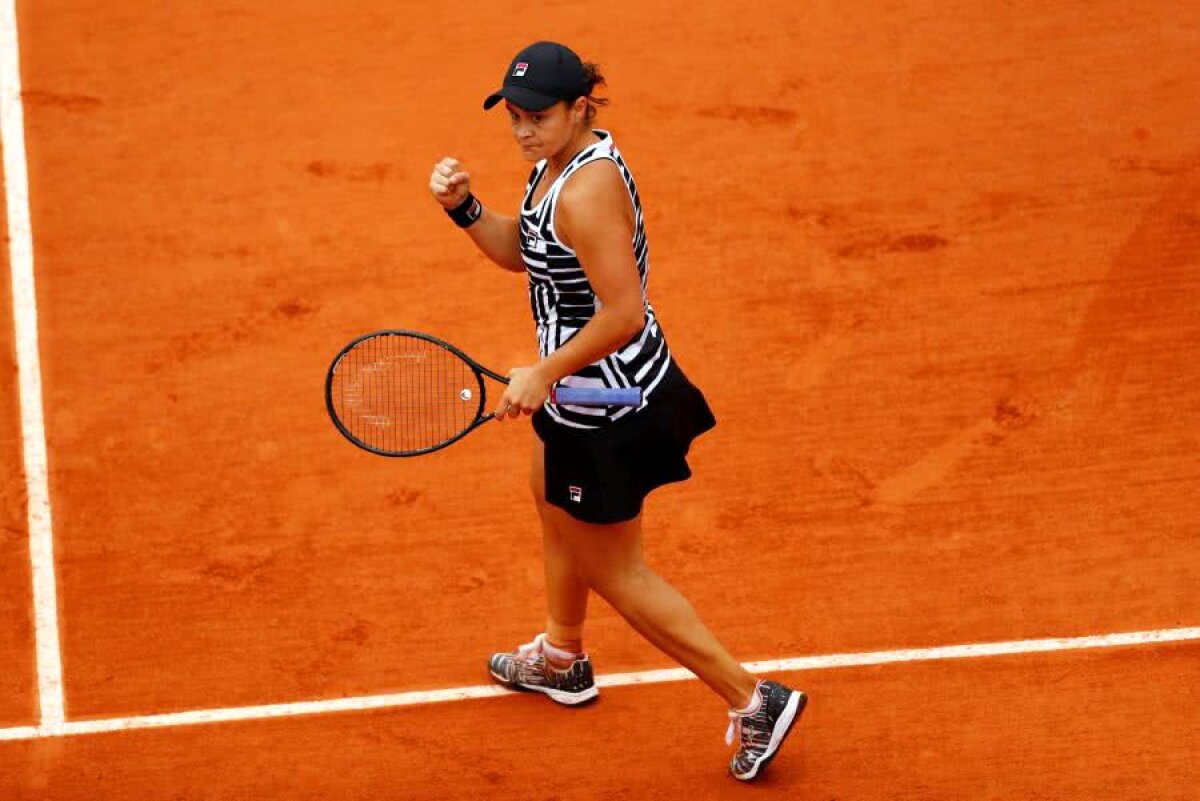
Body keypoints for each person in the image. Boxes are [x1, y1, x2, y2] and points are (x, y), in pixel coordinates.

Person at [428, 40, 806, 782]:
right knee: (546, 495)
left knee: (615, 569)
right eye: (513, 116)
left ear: (579, 108)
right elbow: (528, 252)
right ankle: (562, 655)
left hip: (606, 403)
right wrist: (464, 209)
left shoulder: (585, 190)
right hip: (576, 392)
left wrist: (544, 372)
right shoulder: (556, 166)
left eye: (537, 117)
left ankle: (752, 697)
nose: (523, 130)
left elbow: (624, 311)